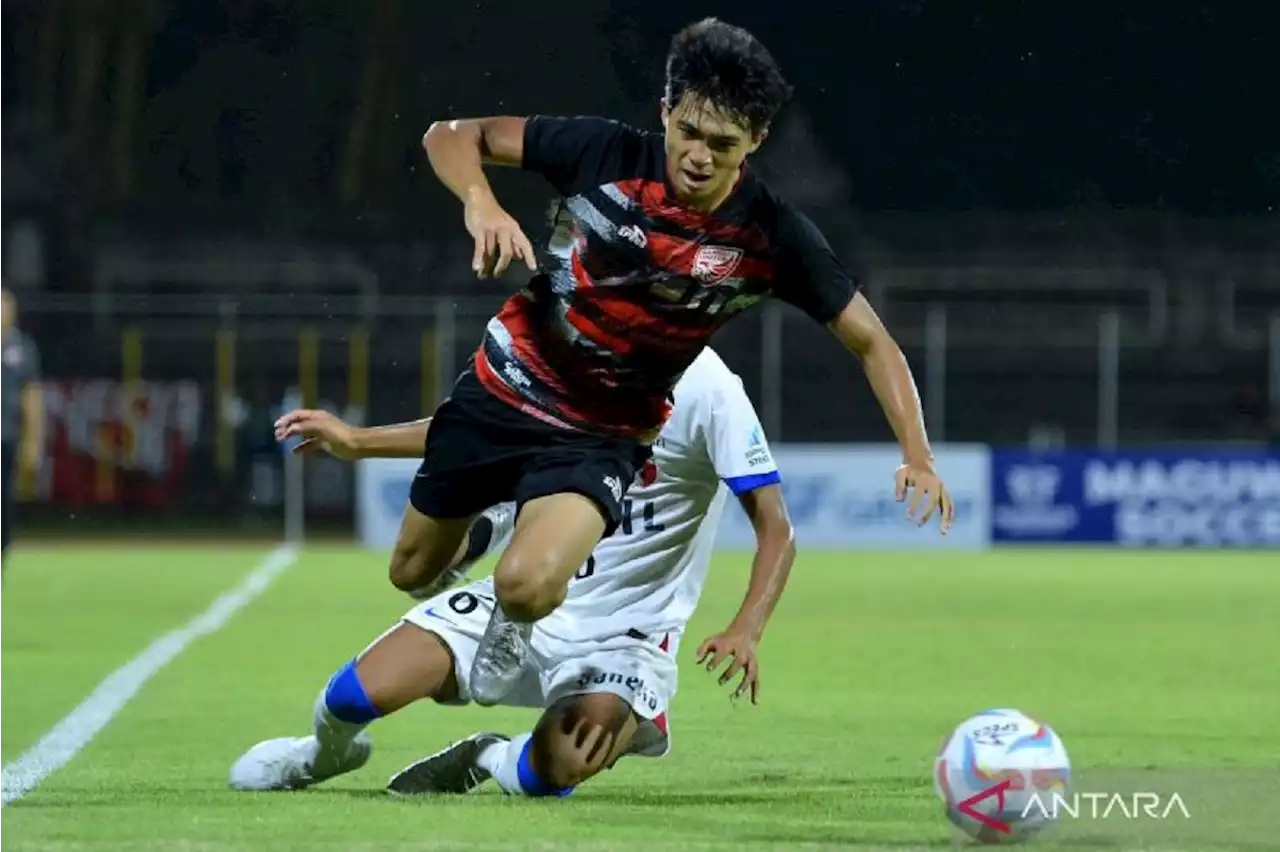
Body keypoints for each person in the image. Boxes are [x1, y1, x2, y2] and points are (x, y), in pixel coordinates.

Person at [406, 16, 953, 708]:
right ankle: (483, 531)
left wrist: (919, 455)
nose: (697, 154)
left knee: (526, 587)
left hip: (606, 431)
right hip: (507, 387)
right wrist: (479, 200)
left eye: (721, 144)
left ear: (755, 141)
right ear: (665, 112)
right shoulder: (602, 151)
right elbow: (452, 134)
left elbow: (874, 341)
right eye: (687, 132)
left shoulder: (773, 236)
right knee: (411, 569)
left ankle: (515, 615)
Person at [230, 348, 796, 797]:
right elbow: (474, 425)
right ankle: (319, 755)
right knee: (353, 698)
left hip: (624, 639)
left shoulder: (713, 391)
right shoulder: (572, 357)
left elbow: (777, 529)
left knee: (559, 766)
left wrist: (746, 628)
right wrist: (358, 441)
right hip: (516, 604)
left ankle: (487, 755)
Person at [0, 286, 43, 585]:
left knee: (3, 510)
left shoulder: (22, 349)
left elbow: (32, 398)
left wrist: (33, 443)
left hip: (5, 440)